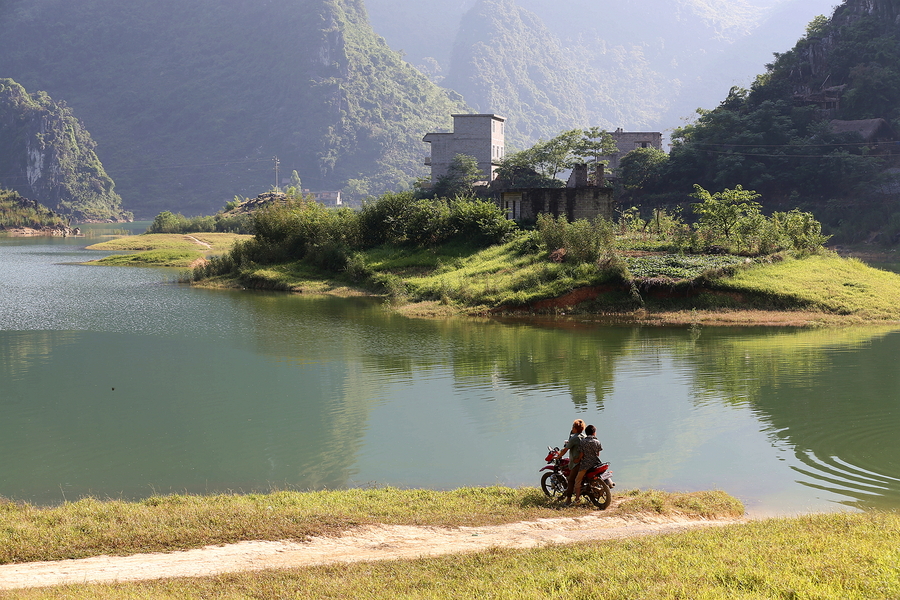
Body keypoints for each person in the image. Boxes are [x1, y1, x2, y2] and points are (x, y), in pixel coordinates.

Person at [571, 424, 603, 504]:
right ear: (594, 433)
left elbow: (581, 455)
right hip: (596, 463)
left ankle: (577, 499)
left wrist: (577, 460)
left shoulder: (583, 442)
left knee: (577, 481)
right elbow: (598, 454)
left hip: (585, 465)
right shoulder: (597, 441)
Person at [557, 419, 585, 504]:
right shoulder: (584, 436)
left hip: (576, 462)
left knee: (571, 480)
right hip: (585, 461)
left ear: (575, 428)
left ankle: (568, 500)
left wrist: (558, 456)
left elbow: (565, 450)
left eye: (573, 426)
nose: (572, 428)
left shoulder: (574, 438)